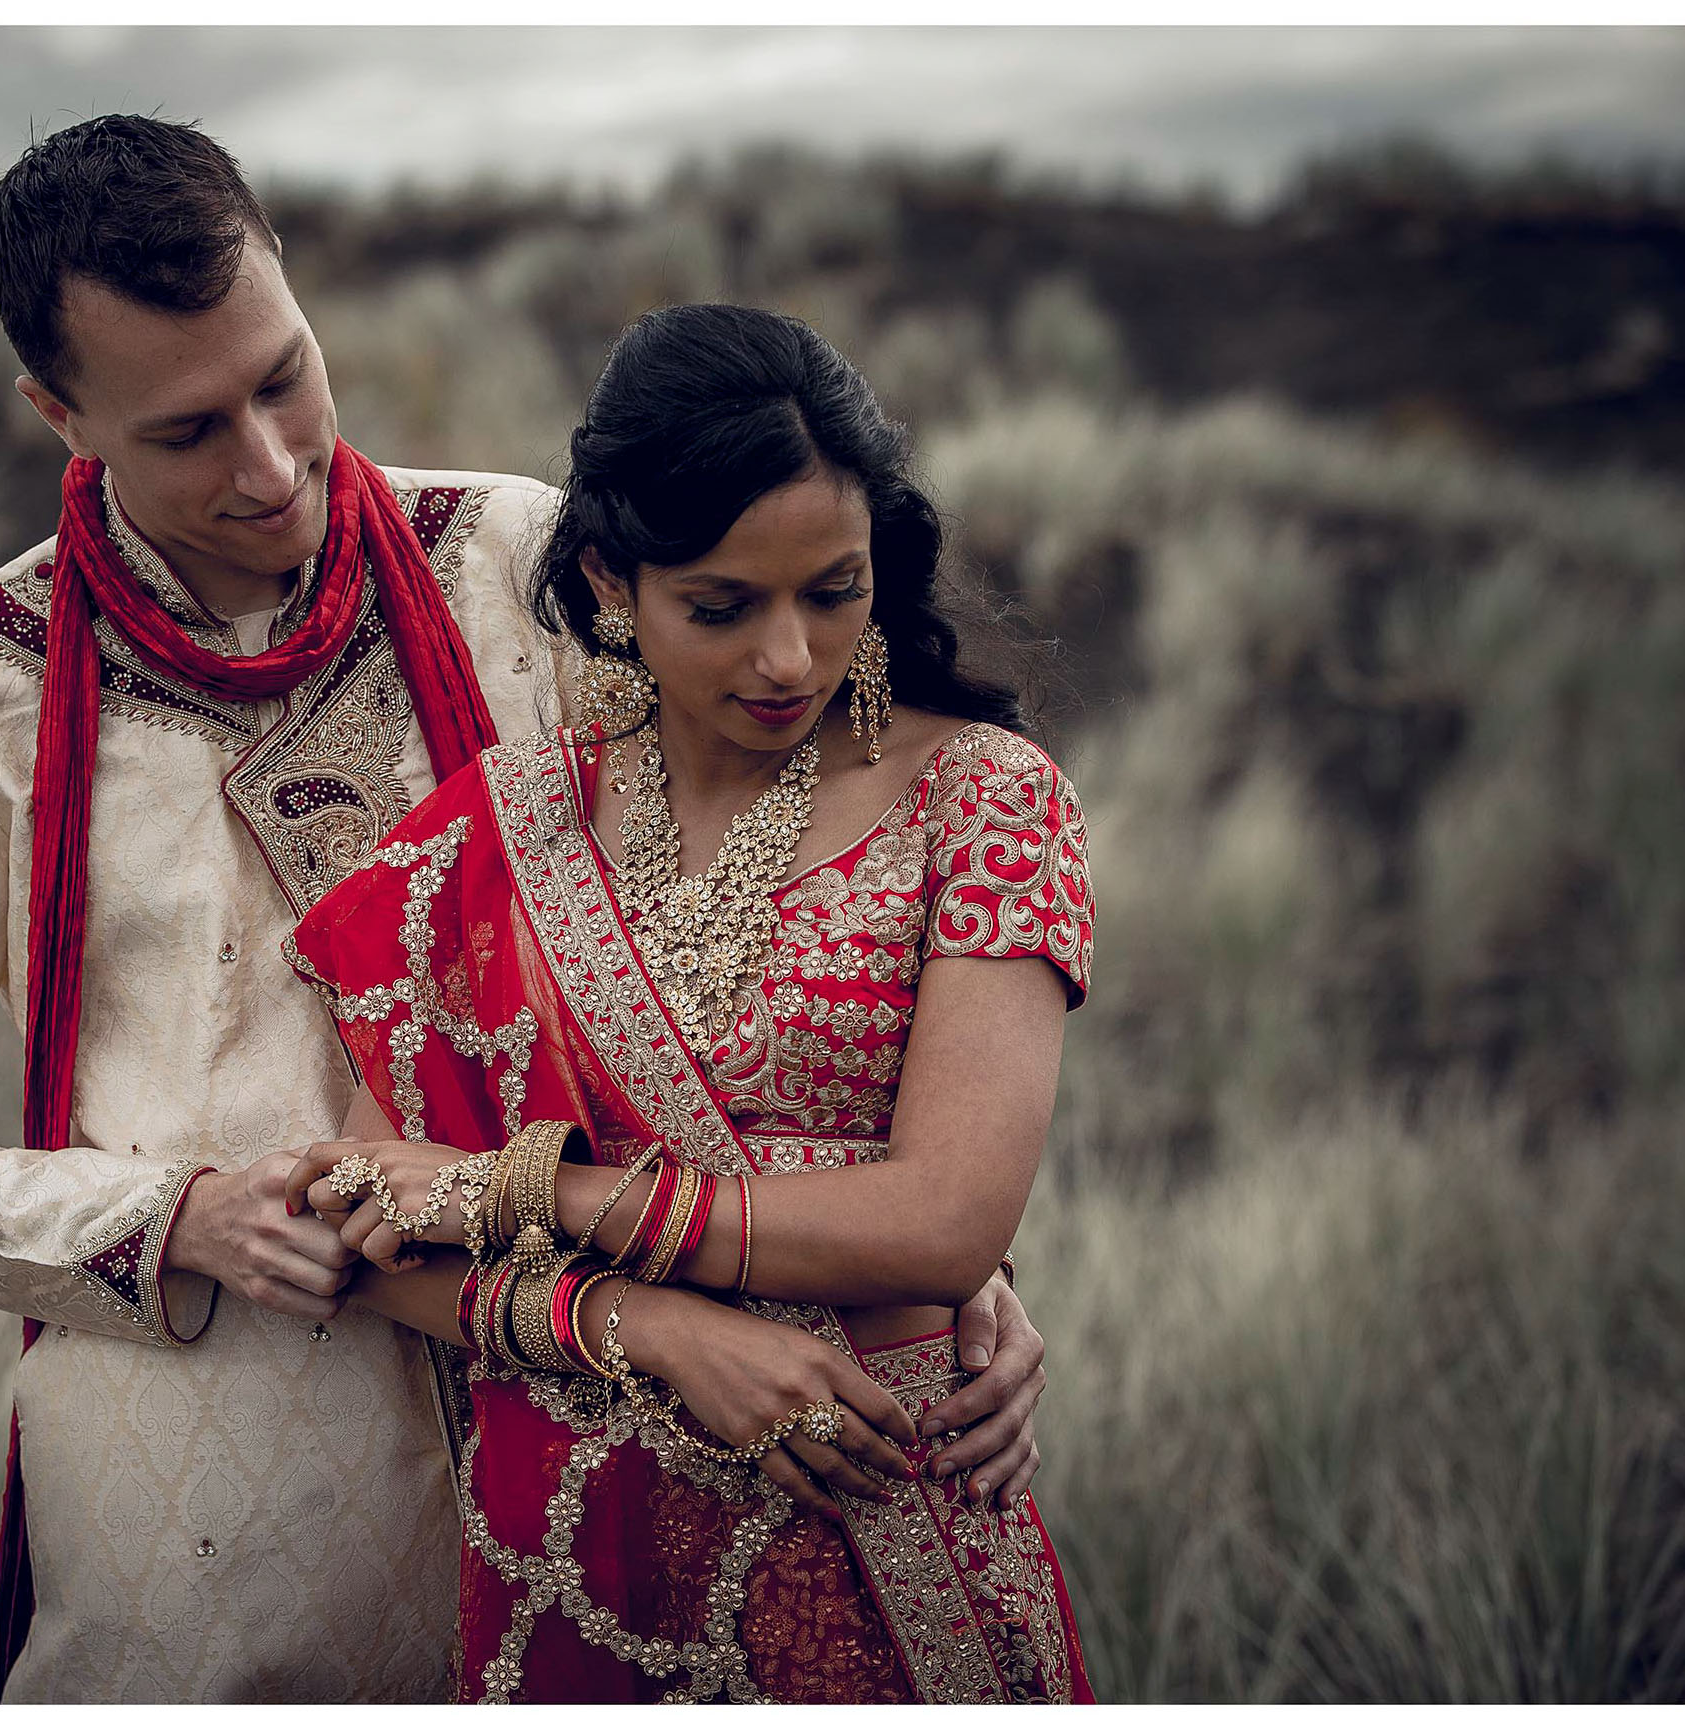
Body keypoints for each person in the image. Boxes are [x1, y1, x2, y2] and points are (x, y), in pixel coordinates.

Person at [0, 117, 1053, 1704]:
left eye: (284, 378)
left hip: (626, 1461)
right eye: (187, 431)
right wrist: (164, 1215)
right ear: (59, 411)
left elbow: (749, 924)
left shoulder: (514, 560)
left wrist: (931, 1273)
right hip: (226, 1489)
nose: (267, 464)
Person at [283, 303, 1094, 1702]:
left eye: (832, 591)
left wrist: (539, 1191)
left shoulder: (981, 796)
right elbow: (373, 1217)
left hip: (894, 1540)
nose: (787, 658)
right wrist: (652, 1332)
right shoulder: (510, 832)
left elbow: (953, 1214)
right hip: (587, 1570)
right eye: (721, 606)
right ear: (613, 579)